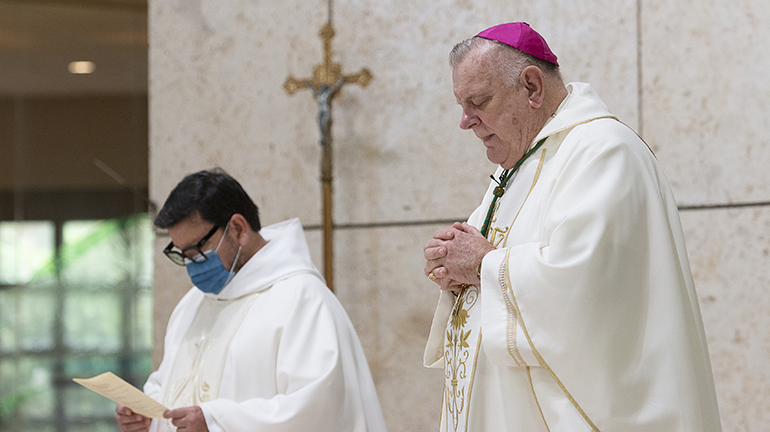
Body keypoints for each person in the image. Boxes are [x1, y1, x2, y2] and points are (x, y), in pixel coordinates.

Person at [422, 22, 721, 431]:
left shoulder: (603, 151)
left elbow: (586, 288)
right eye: (462, 104)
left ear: (531, 87)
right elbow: (484, 263)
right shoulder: (519, 167)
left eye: (479, 101)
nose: (465, 121)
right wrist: (453, 268)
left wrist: (480, 267)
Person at [115, 169, 387, 432]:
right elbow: (174, 383)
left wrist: (217, 423)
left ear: (237, 228)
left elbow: (320, 410)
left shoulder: (302, 299)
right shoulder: (193, 304)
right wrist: (149, 417)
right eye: (183, 255)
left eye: (198, 251)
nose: (191, 265)